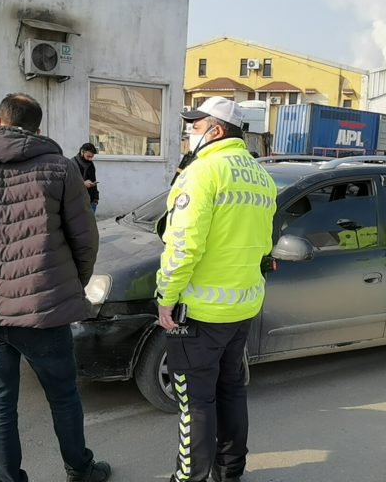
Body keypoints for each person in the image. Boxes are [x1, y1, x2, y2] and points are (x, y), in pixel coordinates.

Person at [0, 93, 110, 482]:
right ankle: (81, 469)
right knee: (64, 397)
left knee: (0, 407)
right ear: (37, 128)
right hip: (47, 310)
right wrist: (70, 287)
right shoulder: (61, 169)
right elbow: (86, 240)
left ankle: (9, 479)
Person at [156, 96, 277, 482]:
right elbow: (263, 245)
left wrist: (165, 298)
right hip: (241, 307)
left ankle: (189, 478)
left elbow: (183, 246)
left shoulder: (203, 172)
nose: (190, 133)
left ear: (216, 130)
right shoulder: (261, 177)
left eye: (195, 125)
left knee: (196, 404)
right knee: (231, 392)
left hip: (200, 313)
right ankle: (230, 472)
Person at [73, 142, 100, 213]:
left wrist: (96, 199)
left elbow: (93, 179)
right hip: (77, 204)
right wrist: (83, 184)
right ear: (82, 152)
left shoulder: (90, 164)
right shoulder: (72, 164)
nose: (90, 159)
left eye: (92, 156)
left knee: (90, 224)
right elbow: (67, 184)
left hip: (92, 203)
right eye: (88, 156)